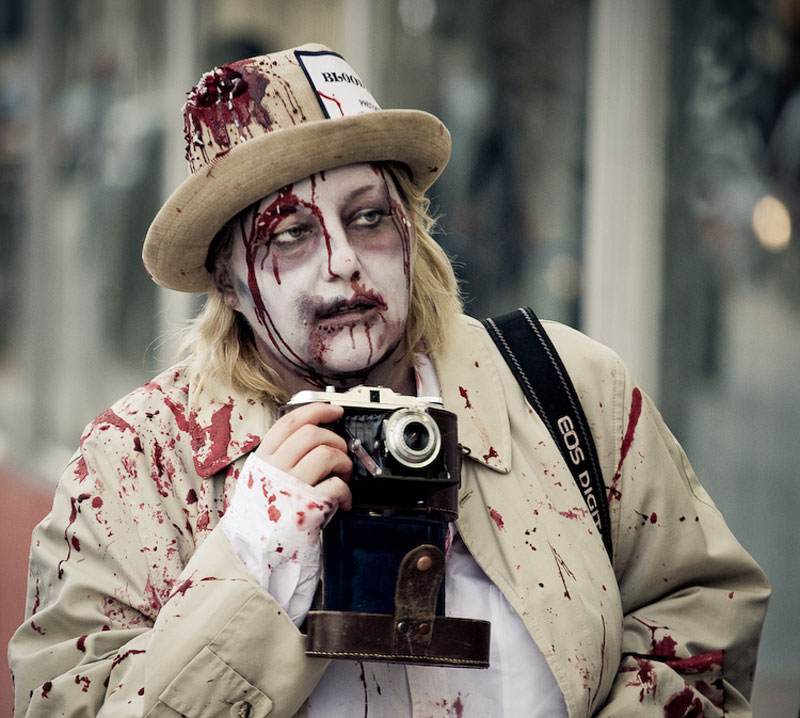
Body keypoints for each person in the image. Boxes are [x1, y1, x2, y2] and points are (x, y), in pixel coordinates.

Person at [9, 42, 769, 718]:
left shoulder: (568, 391)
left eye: (367, 217)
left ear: (412, 231)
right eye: (292, 234)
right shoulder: (140, 463)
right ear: (230, 284)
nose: (342, 260)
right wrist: (253, 556)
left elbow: (701, 615)